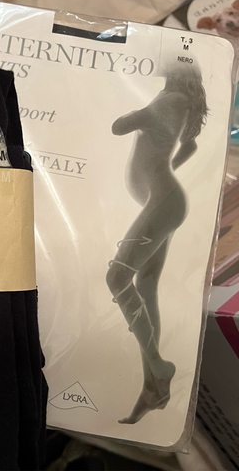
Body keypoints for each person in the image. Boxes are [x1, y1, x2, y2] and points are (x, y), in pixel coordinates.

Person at [106, 61, 208, 424]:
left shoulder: (171, 99)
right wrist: (164, 168)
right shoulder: (178, 100)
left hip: (163, 202)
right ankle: (153, 388)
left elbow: (119, 126)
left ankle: (158, 366)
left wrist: (141, 117)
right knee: (146, 285)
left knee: (117, 278)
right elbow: (190, 145)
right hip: (162, 200)